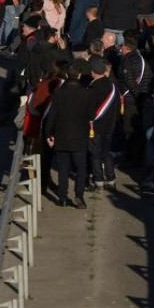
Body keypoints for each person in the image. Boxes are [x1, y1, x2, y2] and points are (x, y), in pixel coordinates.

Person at [44, 64, 95, 208]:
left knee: (63, 168)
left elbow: (52, 115)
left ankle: (62, 197)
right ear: (79, 75)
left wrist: (49, 133)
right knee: (80, 168)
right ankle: (79, 195)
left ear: (66, 75)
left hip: (62, 134)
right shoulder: (86, 93)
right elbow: (92, 115)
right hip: (79, 136)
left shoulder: (59, 92)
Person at [86, 58, 122, 191]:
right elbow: (117, 106)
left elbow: (90, 108)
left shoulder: (93, 87)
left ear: (93, 72)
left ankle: (99, 182)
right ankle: (111, 180)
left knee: (95, 154)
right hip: (110, 126)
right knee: (107, 153)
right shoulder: (112, 85)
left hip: (95, 126)